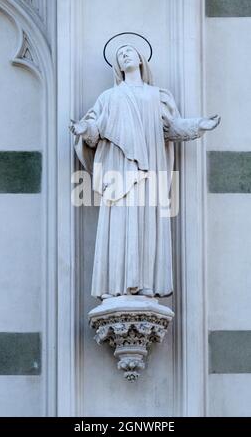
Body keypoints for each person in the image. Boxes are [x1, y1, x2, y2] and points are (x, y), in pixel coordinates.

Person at [69, 44, 220, 300]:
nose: (125, 55)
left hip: (150, 169)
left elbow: (171, 128)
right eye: (120, 54)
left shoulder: (157, 96)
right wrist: (85, 130)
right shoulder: (109, 98)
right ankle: (115, 285)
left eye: (129, 51)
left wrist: (198, 126)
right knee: (119, 225)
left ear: (140, 58)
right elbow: (95, 132)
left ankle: (147, 283)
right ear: (117, 66)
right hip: (119, 173)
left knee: (148, 225)